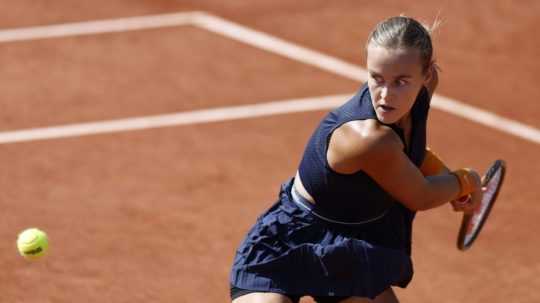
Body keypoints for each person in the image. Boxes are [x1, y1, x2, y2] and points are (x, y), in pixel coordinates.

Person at [229, 15, 484, 303]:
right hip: (287, 243)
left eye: (401, 81)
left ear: (427, 75)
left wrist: (449, 177)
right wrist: (466, 181)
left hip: (351, 243)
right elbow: (421, 196)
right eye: (376, 78)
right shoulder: (369, 138)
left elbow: (409, 154)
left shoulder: (419, 97)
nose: (386, 95)